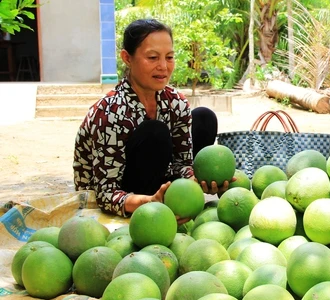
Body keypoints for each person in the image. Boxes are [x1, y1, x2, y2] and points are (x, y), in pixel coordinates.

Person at [73, 18, 226, 219]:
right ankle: (155, 204)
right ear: (127, 58)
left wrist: (194, 180)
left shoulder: (175, 102)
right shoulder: (110, 113)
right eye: (153, 57)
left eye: (169, 57)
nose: (163, 66)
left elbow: (182, 163)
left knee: (204, 118)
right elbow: (105, 193)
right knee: (155, 132)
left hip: (159, 172)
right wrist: (150, 202)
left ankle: (170, 195)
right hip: (120, 192)